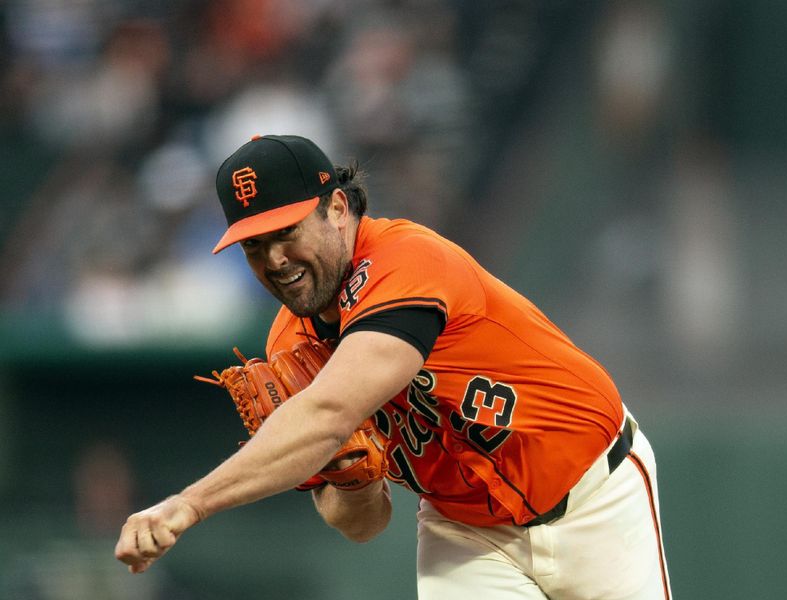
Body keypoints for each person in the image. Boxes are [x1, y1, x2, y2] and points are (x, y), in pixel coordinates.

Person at [115, 134, 672, 599]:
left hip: (596, 492)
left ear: (336, 208)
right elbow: (361, 525)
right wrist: (350, 480)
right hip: (468, 530)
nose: (274, 260)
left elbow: (330, 410)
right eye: (253, 246)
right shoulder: (289, 344)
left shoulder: (407, 259)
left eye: (285, 233)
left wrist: (189, 503)